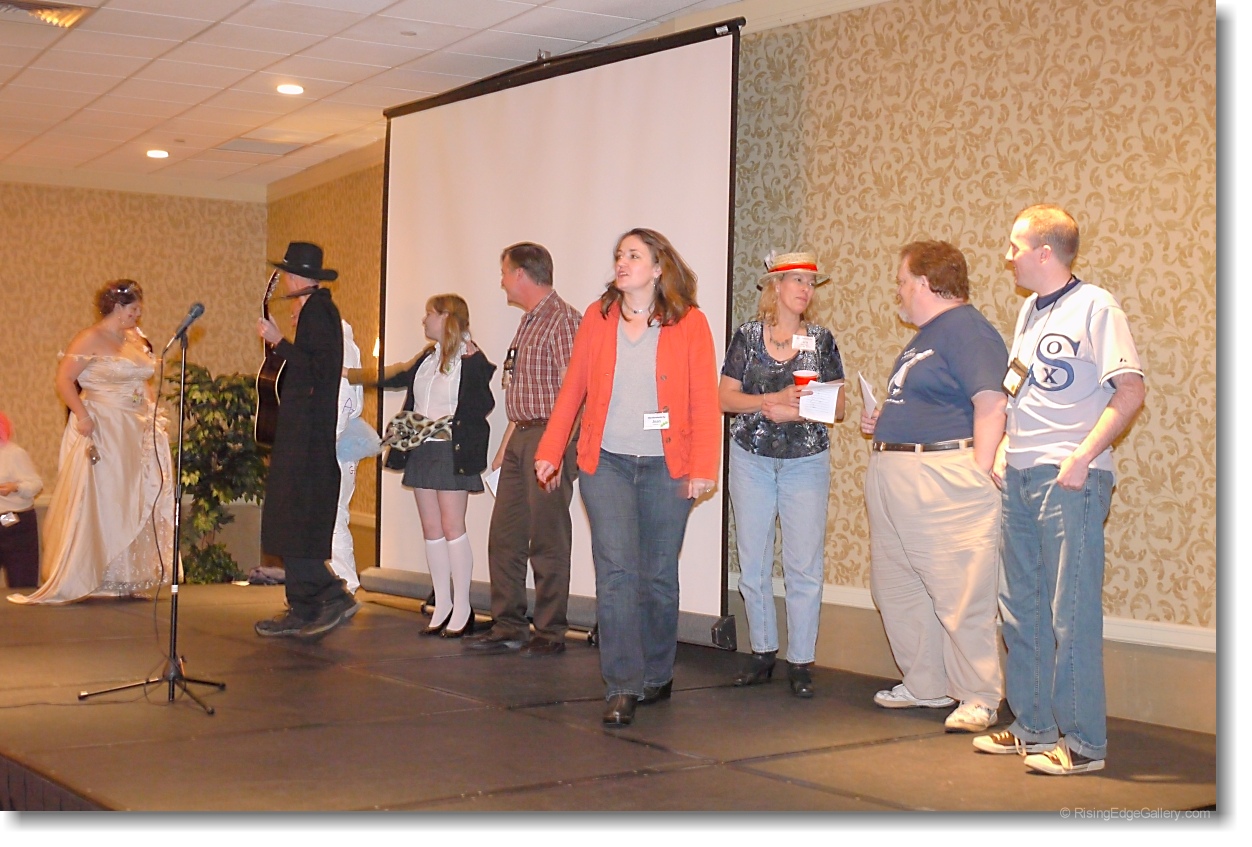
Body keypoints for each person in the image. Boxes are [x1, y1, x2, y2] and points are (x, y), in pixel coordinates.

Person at [973, 205, 1145, 775]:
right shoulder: (1030, 309)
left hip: (1069, 480)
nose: (1008, 256)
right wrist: (1004, 445)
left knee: (1069, 611)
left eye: (1015, 246)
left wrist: (1082, 455)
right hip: (1020, 477)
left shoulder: (1096, 306)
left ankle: (1085, 743)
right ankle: (1034, 726)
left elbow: (1130, 390)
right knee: (1020, 608)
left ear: (1045, 252)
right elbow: (1021, 389)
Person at [535, 228, 720, 728]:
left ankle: (657, 671)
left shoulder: (690, 322)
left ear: (658, 268)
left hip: (667, 466)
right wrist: (551, 449)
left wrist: (704, 467)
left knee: (657, 577)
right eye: (619, 255)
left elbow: (704, 399)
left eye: (634, 255)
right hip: (606, 464)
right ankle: (621, 684)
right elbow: (573, 388)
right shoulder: (597, 318)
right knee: (616, 573)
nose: (622, 262)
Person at [861, 241, 1007, 733]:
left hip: (942, 477)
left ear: (924, 283)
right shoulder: (926, 338)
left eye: (902, 281)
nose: (898, 291)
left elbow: (992, 402)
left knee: (959, 593)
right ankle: (926, 684)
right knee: (897, 588)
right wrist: (884, 420)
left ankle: (979, 696)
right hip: (897, 473)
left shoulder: (968, 329)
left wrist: (978, 471)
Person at [720, 251, 845, 698]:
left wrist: (796, 412)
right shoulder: (747, 336)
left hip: (805, 461)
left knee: (803, 566)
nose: (805, 290)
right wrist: (768, 402)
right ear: (775, 287)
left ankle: (801, 661)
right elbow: (725, 398)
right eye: (796, 281)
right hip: (751, 458)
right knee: (752, 563)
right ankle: (762, 653)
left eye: (810, 283)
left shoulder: (821, 341)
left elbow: (838, 407)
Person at [9, 280, 174, 605]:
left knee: (131, 498)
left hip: (134, 428)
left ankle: (124, 576)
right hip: (103, 425)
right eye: (133, 309)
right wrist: (82, 415)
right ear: (116, 307)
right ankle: (88, 574)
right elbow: (64, 379)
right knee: (103, 498)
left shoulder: (134, 338)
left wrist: (153, 413)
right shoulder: (89, 338)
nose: (137, 314)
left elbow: (143, 380)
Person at [349, 294, 495, 638]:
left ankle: (463, 607)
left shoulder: (471, 359)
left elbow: (482, 403)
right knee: (431, 528)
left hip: (450, 450)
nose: (424, 320)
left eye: (429, 314)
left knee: (452, 526)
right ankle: (442, 603)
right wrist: (347, 374)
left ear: (446, 317)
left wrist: (475, 361)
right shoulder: (428, 357)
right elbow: (394, 376)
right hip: (422, 449)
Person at [463, 243, 581, 658]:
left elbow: (575, 393)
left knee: (548, 538)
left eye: (504, 272)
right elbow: (523, 392)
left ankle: (549, 630)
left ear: (520, 274)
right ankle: (508, 624)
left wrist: (557, 448)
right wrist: (504, 449)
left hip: (550, 436)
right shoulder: (529, 321)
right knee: (505, 537)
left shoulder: (563, 320)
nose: (501, 281)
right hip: (521, 437)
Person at [254, 242, 355, 639]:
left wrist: (280, 342)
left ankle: (326, 596)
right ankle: (307, 605)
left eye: (288, 274)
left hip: (307, 439)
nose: (284, 280)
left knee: (293, 518)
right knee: (290, 520)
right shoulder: (317, 312)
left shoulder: (319, 313)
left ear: (297, 277)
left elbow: (318, 371)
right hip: (302, 434)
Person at [331, 318, 365, 595]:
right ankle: (340, 582)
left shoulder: (339, 346)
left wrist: (326, 442)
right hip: (342, 442)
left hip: (337, 444)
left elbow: (342, 402)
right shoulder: (346, 346)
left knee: (333, 516)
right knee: (335, 515)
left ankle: (345, 583)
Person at [0, 412, 44, 590]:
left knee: (21, 584)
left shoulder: (14, 453)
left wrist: (15, 487)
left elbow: (36, 484)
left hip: (14, 522)